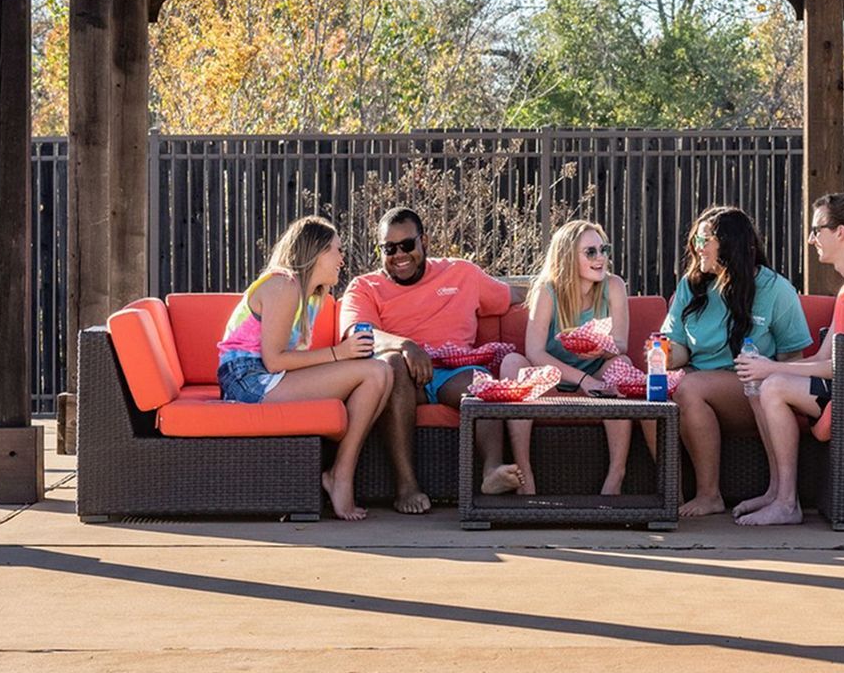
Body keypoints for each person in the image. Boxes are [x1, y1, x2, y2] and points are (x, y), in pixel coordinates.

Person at [733, 190, 844, 526]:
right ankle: (776, 492)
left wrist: (772, 367)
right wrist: (764, 368)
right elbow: (823, 356)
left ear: (840, 232)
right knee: (760, 383)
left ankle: (788, 504)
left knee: (772, 385)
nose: (811, 238)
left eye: (817, 230)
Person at [341, 207, 529, 514]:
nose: (399, 255)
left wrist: (564, 289)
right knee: (392, 364)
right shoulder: (364, 287)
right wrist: (405, 345)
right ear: (380, 251)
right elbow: (357, 333)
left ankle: (492, 471)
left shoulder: (461, 273)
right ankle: (406, 486)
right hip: (400, 380)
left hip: (453, 373)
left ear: (424, 241)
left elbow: (514, 296)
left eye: (407, 245)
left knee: (483, 383)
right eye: (389, 248)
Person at [216, 216, 393, 521]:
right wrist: (340, 354)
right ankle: (340, 475)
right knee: (374, 372)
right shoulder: (283, 284)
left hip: (269, 376)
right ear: (316, 252)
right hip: (247, 380)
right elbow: (274, 360)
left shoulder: (311, 297)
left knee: (383, 372)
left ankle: (338, 472)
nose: (342, 259)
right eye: (337, 251)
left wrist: (345, 356)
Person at [661, 205, 814, 518]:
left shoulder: (775, 290)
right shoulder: (691, 285)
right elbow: (679, 348)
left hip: (754, 395)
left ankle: (709, 495)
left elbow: (792, 360)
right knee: (668, 388)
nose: (695, 248)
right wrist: (661, 353)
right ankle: (666, 494)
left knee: (689, 387)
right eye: (695, 241)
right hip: (698, 387)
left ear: (728, 244)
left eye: (704, 241)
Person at [508, 219, 656, 495]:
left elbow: (621, 344)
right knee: (511, 364)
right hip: (551, 381)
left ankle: (616, 477)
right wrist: (583, 380)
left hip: (599, 380)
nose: (601, 258)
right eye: (591, 252)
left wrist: (604, 348)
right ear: (567, 256)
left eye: (604, 249)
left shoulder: (614, 286)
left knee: (622, 366)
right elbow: (535, 351)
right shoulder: (547, 290)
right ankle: (523, 475)